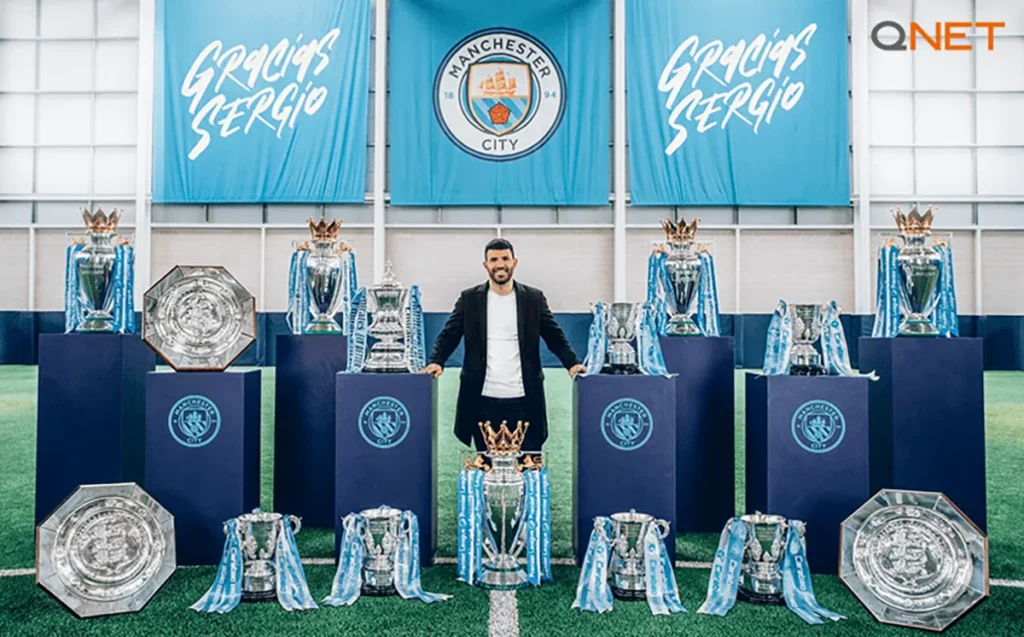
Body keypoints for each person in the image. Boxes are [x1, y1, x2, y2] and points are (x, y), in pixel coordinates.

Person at [420, 238, 585, 453]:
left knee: (528, 467)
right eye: (494, 259)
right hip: (482, 399)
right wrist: (436, 361)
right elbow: (449, 334)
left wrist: (572, 364)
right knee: (486, 467)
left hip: (525, 398)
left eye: (505, 258)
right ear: (485, 265)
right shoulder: (469, 299)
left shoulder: (534, 299)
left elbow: (554, 335)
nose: (500, 264)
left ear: (514, 262)